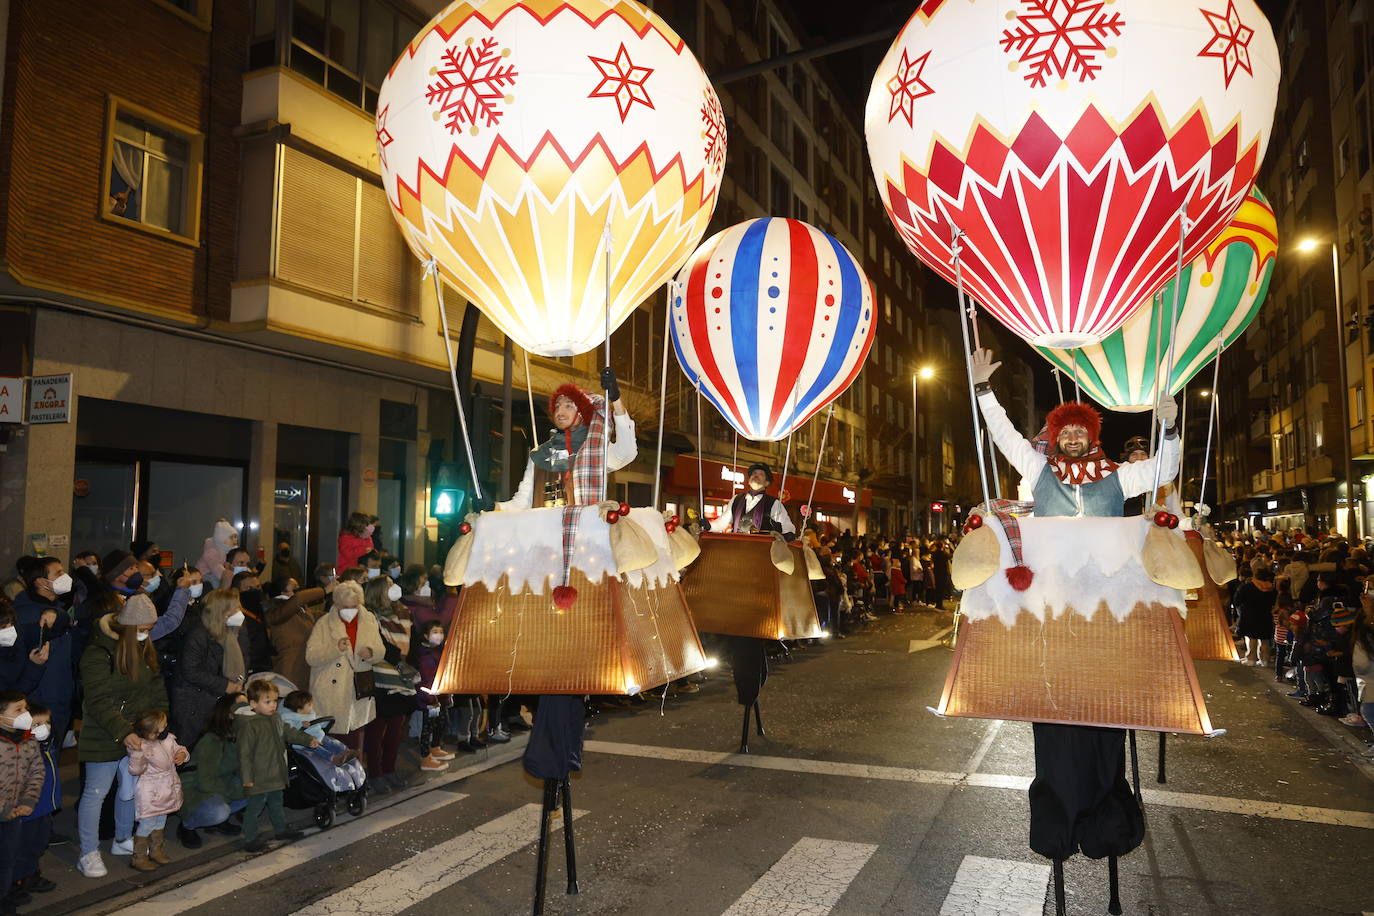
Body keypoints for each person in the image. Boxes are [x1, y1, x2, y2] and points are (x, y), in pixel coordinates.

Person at [971, 347, 1179, 874]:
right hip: (1053, 607)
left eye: (1079, 430)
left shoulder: (1117, 476)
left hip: (1105, 609)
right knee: (1057, 706)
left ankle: (1104, 814)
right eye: (1063, 430)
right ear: (1056, 436)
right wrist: (982, 391)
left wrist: (1170, 429)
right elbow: (1006, 437)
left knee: (1104, 702)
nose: (1070, 437)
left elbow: (1164, 469)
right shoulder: (1038, 468)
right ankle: (1059, 818)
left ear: (1092, 435)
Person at [75, 594, 169, 879]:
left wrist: (158, 725)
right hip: (105, 732)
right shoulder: (98, 652)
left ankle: (122, 839)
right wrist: (123, 731)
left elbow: (156, 690)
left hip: (137, 734)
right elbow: (98, 700)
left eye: (150, 629)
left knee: (129, 791)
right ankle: (88, 852)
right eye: (143, 628)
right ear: (127, 626)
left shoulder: (143, 649)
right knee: (96, 793)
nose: (147, 634)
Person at [500, 371, 635, 510]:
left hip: (583, 530)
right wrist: (493, 507)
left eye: (568, 406)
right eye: (557, 406)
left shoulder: (595, 451)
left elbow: (626, 452)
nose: (560, 412)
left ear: (582, 413)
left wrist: (616, 399)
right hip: (544, 530)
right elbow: (521, 503)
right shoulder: (540, 454)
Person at [235, 680, 317, 852]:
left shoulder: (275, 718)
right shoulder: (249, 725)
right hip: (259, 776)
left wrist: (307, 739)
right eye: (267, 701)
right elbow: (245, 754)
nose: (273, 705)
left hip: (276, 772)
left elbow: (289, 732)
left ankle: (281, 830)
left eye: (275, 701)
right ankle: (249, 838)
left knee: (276, 803)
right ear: (253, 704)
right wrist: (247, 778)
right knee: (255, 807)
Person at [304, 581, 382, 757]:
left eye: (354, 606)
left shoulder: (368, 620)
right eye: (344, 606)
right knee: (333, 743)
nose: (350, 610)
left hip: (358, 689)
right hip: (330, 692)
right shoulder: (324, 623)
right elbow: (311, 656)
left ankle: (356, 780)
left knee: (355, 741)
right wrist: (334, 648)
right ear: (336, 604)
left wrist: (370, 652)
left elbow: (380, 650)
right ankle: (334, 781)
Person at [171, 590, 248, 749]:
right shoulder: (198, 635)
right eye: (235, 607)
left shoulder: (231, 632)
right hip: (193, 703)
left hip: (213, 699)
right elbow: (191, 671)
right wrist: (225, 685)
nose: (240, 611)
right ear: (222, 612)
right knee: (189, 749)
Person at [362, 574, 415, 792]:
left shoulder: (401, 614)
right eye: (389, 586)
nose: (395, 588)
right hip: (382, 677)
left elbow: (409, 643)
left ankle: (389, 770)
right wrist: (399, 664)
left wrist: (409, 666)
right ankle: (375, 774)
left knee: (395, 729)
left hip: (402, 679)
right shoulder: (370, 617)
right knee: (377, 731)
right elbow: (379, 644)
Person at [176, 695, 249, 849]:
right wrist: (237, 791)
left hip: (220, 784)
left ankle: (218, 821)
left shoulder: (239, 735)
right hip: (194, 789)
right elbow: (206, 781)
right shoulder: (212, 740)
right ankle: (187, 826)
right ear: (229, 714)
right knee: (219, 811)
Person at [126, 708, 187, 871]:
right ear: (152, 733)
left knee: (161, 820)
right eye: (163, 725)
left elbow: (179, 748)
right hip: (151, 791)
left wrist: (182, 754)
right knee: (147, 823)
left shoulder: (168, 739)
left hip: (167, 787)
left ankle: (156, 850)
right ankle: (138, 857)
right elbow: (135, 770)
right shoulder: (141, 747)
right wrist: (137, 754)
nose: (167, 727)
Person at [0, 692, 43, 914]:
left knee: (8, 858)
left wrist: (28, 800)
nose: (25, 714)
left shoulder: (29, 739)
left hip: (15, 813)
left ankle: (3, 895)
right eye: (18, 710)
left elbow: (36, 771)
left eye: (25, 708)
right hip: (5, 810)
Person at [13, 703, 57, 903]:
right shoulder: (22, 752)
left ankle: (31, 874)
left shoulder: (47, 746)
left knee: (38, 843)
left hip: (45, 807)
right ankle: (17, 882)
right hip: (29, 810)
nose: (43, 728)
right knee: (23, 846)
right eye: (37, 724)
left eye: (47, 723)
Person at [266, 581, 327, 692]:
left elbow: (314, 616)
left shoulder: (300, 608)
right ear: (281, 592)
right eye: (294, 590)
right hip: (290, 667)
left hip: (305, 663)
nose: (298, 592)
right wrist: (325, 590)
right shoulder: (276, 610)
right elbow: (298, 599)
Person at [410, 620, 454, 771]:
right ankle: (425, 757)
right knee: (426, 728)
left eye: (441, 632)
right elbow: (426, 679)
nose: (439, 635)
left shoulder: (440, 650)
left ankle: (435, 747)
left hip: (439, 696)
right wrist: (430, 699)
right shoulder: (424, 654)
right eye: (435, 632)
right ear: (425, 635)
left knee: (441, 723)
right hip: (427, 698)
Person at [717, 464, 796, 535]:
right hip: (736, 547)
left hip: (759, 549)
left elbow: (786, 525)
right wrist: (709, 526)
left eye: (761, 474)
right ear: (748, 481)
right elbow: (722, 522)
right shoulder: (736, 499)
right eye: (754, 473)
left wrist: (789, 534)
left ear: (767, 483)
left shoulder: (774, 503)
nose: (756, 475)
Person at [0, 598, 47, 696]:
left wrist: (54, 613)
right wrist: (35, 665)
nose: (10, 630)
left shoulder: (19, 633)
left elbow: (50, 627)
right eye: (3, 627)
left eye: (12, 624)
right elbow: (9, 698)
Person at [1232, 568, 1277, 666]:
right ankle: (1265, 659)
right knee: (1265, 639)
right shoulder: (1271, 589)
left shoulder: (1247, 587)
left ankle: (1251, 658)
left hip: (1250, 615)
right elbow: (1273, 602)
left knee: (1252, 637)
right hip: (1266, 616)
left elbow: (1237, 600)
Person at [231, 571, 273, 674]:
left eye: (258, 587)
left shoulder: (262, 610)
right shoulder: (234, 617)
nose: (255, 592)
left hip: (263, 667)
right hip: (246, 670)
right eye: (249, 588)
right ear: (237, 591)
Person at [196, 519, 240, 589]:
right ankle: (217, 596)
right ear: (222, 538)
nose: (235, 540)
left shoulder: (223, 549)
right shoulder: (212, 551)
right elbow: (215, 566)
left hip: (213, 572)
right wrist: (224, 575)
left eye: (235, 537)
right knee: (216, 582)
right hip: (204, 573)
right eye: (231, 537)